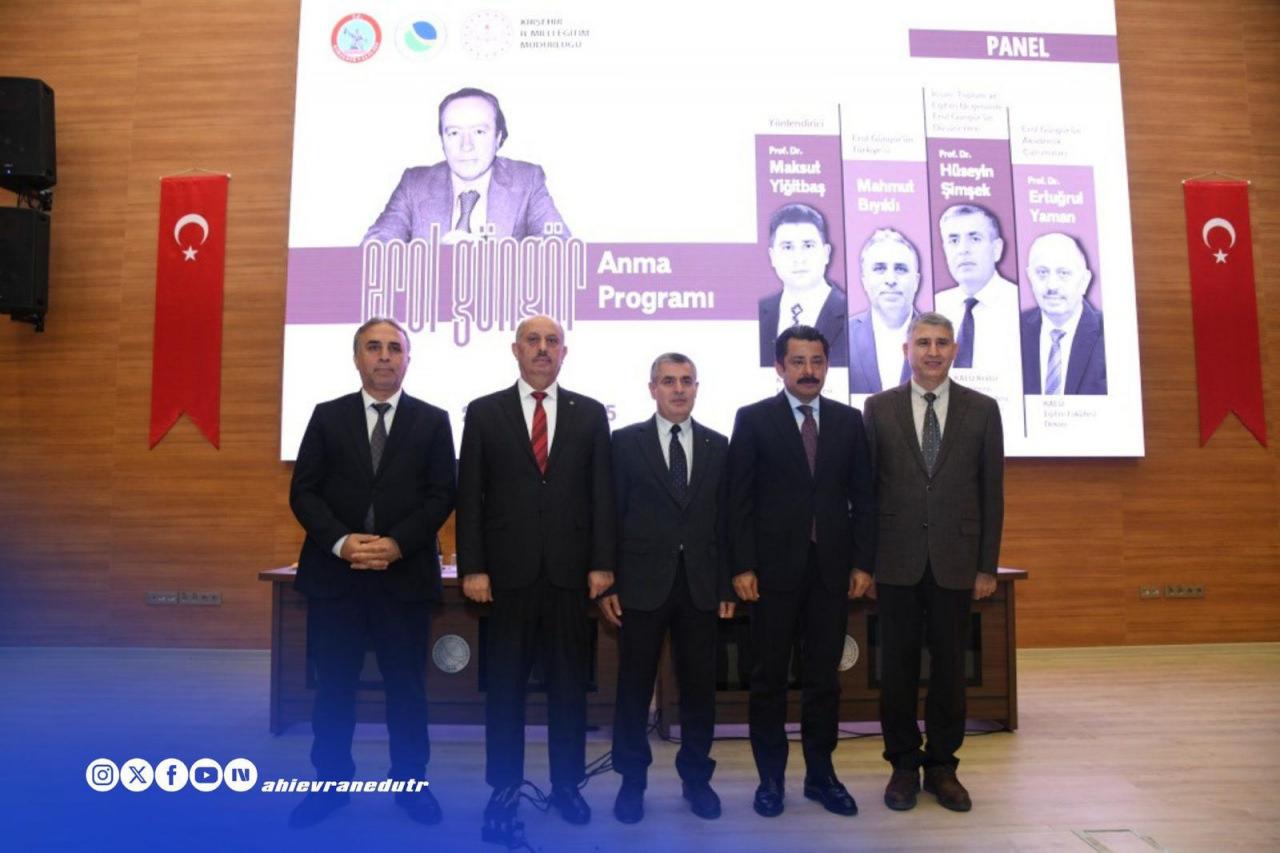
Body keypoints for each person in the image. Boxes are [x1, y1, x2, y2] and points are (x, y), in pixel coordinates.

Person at [287, 317, 457, 828]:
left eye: (394, 349)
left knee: (407, 689)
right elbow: (304, 492)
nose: (385, 356)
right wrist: (343, 542)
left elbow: (442, 495)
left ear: (407, 359)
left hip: (403, 580)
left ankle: (410, 783)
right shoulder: (326, 416)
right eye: (374, 347)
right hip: (336, 579)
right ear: (357, 357)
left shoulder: (433, 420)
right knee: (334, 688)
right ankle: (330, 784)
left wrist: (397, 543)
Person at [455, 314, 615, 832]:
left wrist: (602, 562)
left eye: (552, 341)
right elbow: (470, 496)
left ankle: (567, 786)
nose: (543, 348)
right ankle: (504, 788)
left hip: (570, 577)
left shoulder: (590, 413)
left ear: (564, 352)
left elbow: (602, 494)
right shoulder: (484, 412)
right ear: (516, 350)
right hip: (507, 578)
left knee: (569, 689)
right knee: (505, 690)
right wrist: (473, 566)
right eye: (533, 340)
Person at [858, 311, 1004, 814]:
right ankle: (902, 765)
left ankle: (942, 766)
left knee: (949, 669)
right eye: (923, 342)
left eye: (942, 343)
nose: (933, 351)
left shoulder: (982, 409)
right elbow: (866, 492)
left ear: (954, 350)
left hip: (956, 561)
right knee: (896, 668)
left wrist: (987, 565)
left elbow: (992, 492)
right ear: (907, 350)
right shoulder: (878, 408)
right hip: (895, 561)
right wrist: (865, 562)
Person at [727, 325, 874, 818]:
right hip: (770, 575)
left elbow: (864, 498)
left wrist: (863, 562)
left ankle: (821, 775)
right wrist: (742, 565)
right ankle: (770, 779)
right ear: (779, 367)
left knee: (824, 680)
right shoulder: (753, 419)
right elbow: (738, 501)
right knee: (768, 678)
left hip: (831, 572)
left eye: (817, 361)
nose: (809, 371)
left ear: (826, 365)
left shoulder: (849, 421)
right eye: (798, 361)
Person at [601, 353, 736, 824]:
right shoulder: (624, 442)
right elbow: (610, 514)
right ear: (652, 388)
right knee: (633, 689)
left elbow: (726, 521)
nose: (678, 389)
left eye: (686, 381)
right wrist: (607, 580)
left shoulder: (718, 444)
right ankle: (632, 783)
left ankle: (697, 780)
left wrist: (726, 584)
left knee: (699, 691)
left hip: (701, 587)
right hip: (639, 585)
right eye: (668, 381)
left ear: (697, 388)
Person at [364, 87, 568, 244]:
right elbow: (374, 248)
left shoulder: (527, 180)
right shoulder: (414, 183)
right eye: (454, 133)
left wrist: (488, 261)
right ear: (442, 140)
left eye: (479, 132)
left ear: (498, 138)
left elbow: (559, 249)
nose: (466, 146)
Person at [757, 204, 849, 367]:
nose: (799, 258)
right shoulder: (758, 314)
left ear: (826, 253)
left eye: (808, 246)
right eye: (787, 247)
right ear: (772, 257)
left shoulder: (851, 313)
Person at [934, 204, 1019, 372]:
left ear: (996, 249)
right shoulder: (934, 308)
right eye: (954, 241)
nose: (963, 250)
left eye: (975, 239)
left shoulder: (1021, 306)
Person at [1020, 232, 1107, 395]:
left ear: (1085, 280)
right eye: (1042, 272)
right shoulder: (1012, 330)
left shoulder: (1111, 334)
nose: (1052, 285)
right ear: (1030, 277)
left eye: (1064, 273)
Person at [849, 228, 920, 394]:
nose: (890, 280)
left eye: (900, 269)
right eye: (880, 269)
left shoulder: (939, 337)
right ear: (864, 281)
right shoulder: (844, 337)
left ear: (916, 281)